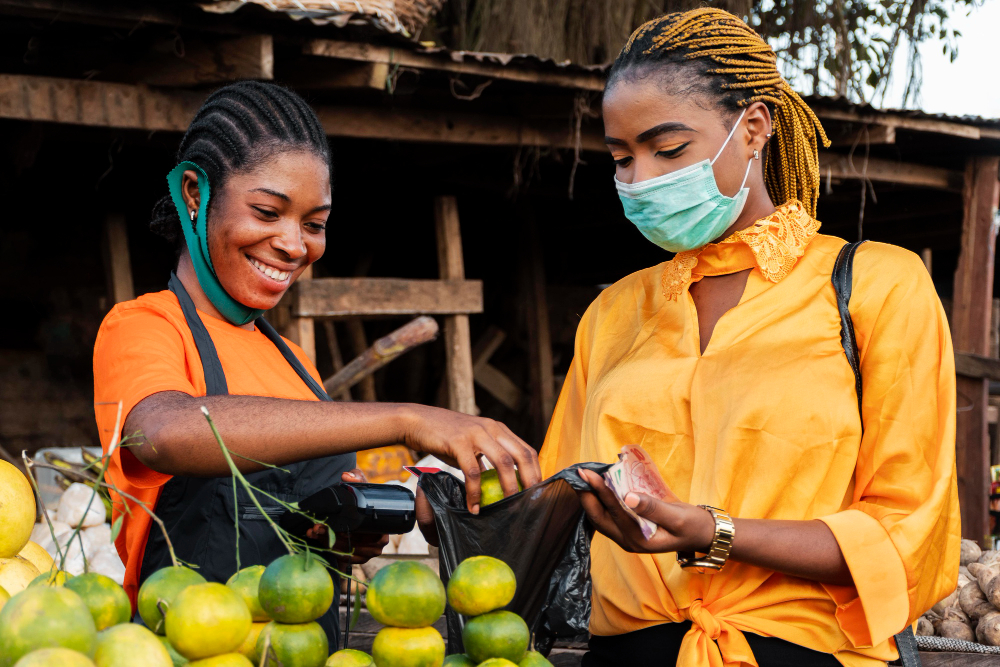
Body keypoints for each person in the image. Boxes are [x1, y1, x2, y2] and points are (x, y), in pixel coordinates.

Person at [539, 9, 959, 667]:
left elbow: (908, 528)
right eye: (622, 158)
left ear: (755, 127)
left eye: (669, 149)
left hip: (806, 653)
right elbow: (558, 497)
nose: (642, 179)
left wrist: (713, 531)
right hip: (625, 653)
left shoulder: (879, 285)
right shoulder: (613, 313)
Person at [93, 81, 539, 645]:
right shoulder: (146, 325)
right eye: (266, 211)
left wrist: (335, 535)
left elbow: (287, 539)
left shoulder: (294, 362)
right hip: (192, 653)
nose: (292, 244)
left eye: (314, 223)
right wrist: (409, 419)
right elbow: (164, 433)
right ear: (192, 193)